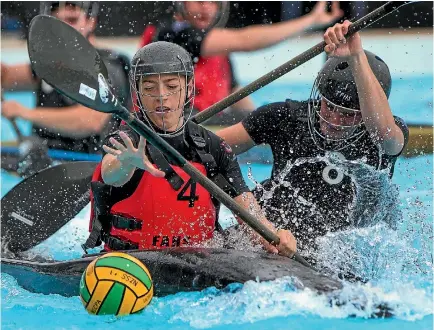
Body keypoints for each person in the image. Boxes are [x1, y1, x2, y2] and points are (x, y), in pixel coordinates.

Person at [82, 41, 296, 258]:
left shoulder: (213, 148)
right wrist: (126, 163)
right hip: (132, 260)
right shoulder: (125, 139)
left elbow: (249, 213)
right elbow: (111, 173)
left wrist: (275, 238)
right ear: (137, 93)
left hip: (198, 262)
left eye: (172, 86)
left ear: (189, 89)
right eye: (149, 88)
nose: (161, 95)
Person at [216, 20, 409, 255]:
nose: (334, 120)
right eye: (329, 107)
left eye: (348, 115)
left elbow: (383, 131)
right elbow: (212, 148)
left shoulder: (383, 138)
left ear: (365, 114)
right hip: (270, 238)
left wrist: (357, 55)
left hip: (332, 257)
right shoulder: (286, 117)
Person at [139, 1, 343, 123]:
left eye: (213, 2)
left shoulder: (218, 52)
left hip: (208, 123)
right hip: (172, 125)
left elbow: (235, 94)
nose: (207, 8)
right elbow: (244, 40)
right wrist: (311, 21)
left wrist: (259, 120)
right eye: (200, 1)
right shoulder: (171, 35)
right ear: (180, 3)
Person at [1, 1, 130, 154]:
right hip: (46, 157)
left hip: (90, 164)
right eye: (56, 22)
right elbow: (6, 77)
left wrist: (25, 113)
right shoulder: (51, 64)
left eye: (72, 20)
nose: (63, 29)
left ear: (91, 22)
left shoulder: (109, 66)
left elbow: (91, 121)